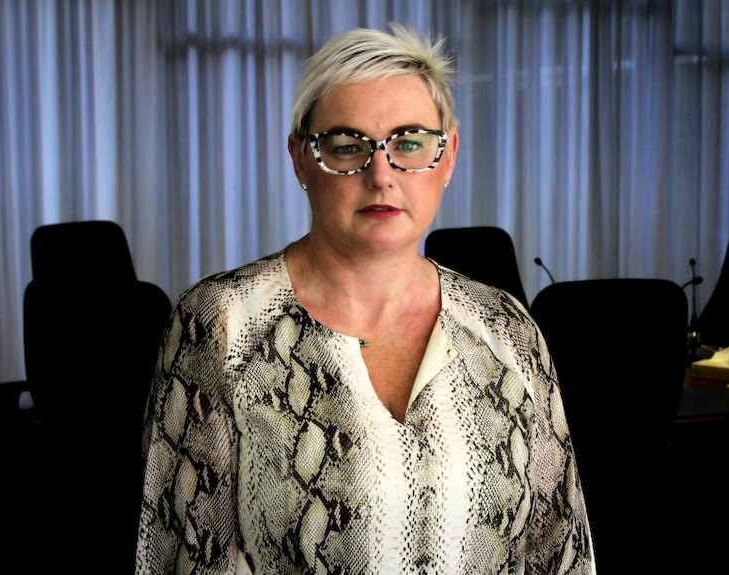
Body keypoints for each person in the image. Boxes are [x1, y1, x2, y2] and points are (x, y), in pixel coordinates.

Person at [135, 23, 595, 575]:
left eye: (409, 143)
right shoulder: (221, 323)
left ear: (447, 158)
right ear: (301, 160)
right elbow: (184, 558)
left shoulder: (507, 328)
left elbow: (559, 553)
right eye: (347, 146)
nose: (381, 175)